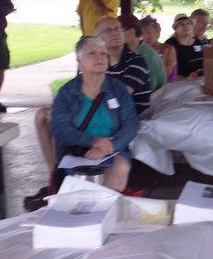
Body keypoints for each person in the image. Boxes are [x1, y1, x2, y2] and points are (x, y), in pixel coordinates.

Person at [50, 37, 140, 192]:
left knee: (120, 168)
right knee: (86, 178)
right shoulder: (67, 92)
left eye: (103, 54)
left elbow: (131, 124)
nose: (99, 57)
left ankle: (108, 210)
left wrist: (109, 147)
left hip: (112, 149)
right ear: (79, 60)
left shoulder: (118, 90)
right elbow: (59, 129)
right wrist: (93, 141)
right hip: (78, 151)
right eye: (92, 53)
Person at [96, 16, 151, 114]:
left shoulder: (137, 62)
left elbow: (118, 96)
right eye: (108, 30)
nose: (115, 33)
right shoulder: (97, 63)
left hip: (136, 120)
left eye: (118, 29)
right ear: (98, 38)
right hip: (107, 116)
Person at [118, 14, 166, 91]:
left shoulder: (148, 56)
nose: (116, 35)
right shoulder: (124, 51)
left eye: (119, 30)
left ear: (131, 31)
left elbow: (151, 88)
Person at [164, 14, 205, 78]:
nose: (186, 26)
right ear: (176, 28)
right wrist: (186, 78)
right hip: (180, 83)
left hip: (201, 79)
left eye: (188, 24)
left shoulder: (197, 41)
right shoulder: (170, 44)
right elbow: (166, 71)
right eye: (182, 24)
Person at [140, 15, 177, 83]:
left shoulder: (168, 49)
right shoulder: (140, 50)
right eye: (142, 33)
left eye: (149, 33)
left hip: (166, 87)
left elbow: (166, 72)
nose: (145, 36)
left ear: (158, 33)